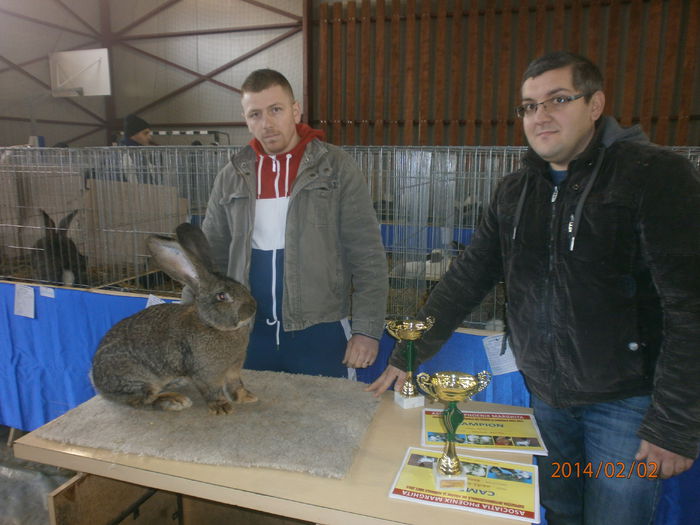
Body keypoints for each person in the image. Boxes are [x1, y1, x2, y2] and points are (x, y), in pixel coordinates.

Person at [368, 51, 700, 524]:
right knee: (560, 512)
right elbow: (464, 280)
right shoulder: (513, 192)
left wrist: (675, 424)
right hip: (547, 399)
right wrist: (411, 351)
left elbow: (690, 307)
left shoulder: (654, 176)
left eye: (557, 99)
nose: (540, 115)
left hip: (626, 404)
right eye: (528, 106)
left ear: (595, 103)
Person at [200, 68, 388, 378]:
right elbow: (208, 260)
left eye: (276, 110)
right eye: (255, 114)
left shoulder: (336, 168)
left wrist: (367, 329)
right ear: (246, 120)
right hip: (245, 335)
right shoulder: (232, 175)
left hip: (320, 333)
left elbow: (367, 253)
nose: (267, 123)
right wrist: (194, 324)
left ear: (295, 110)